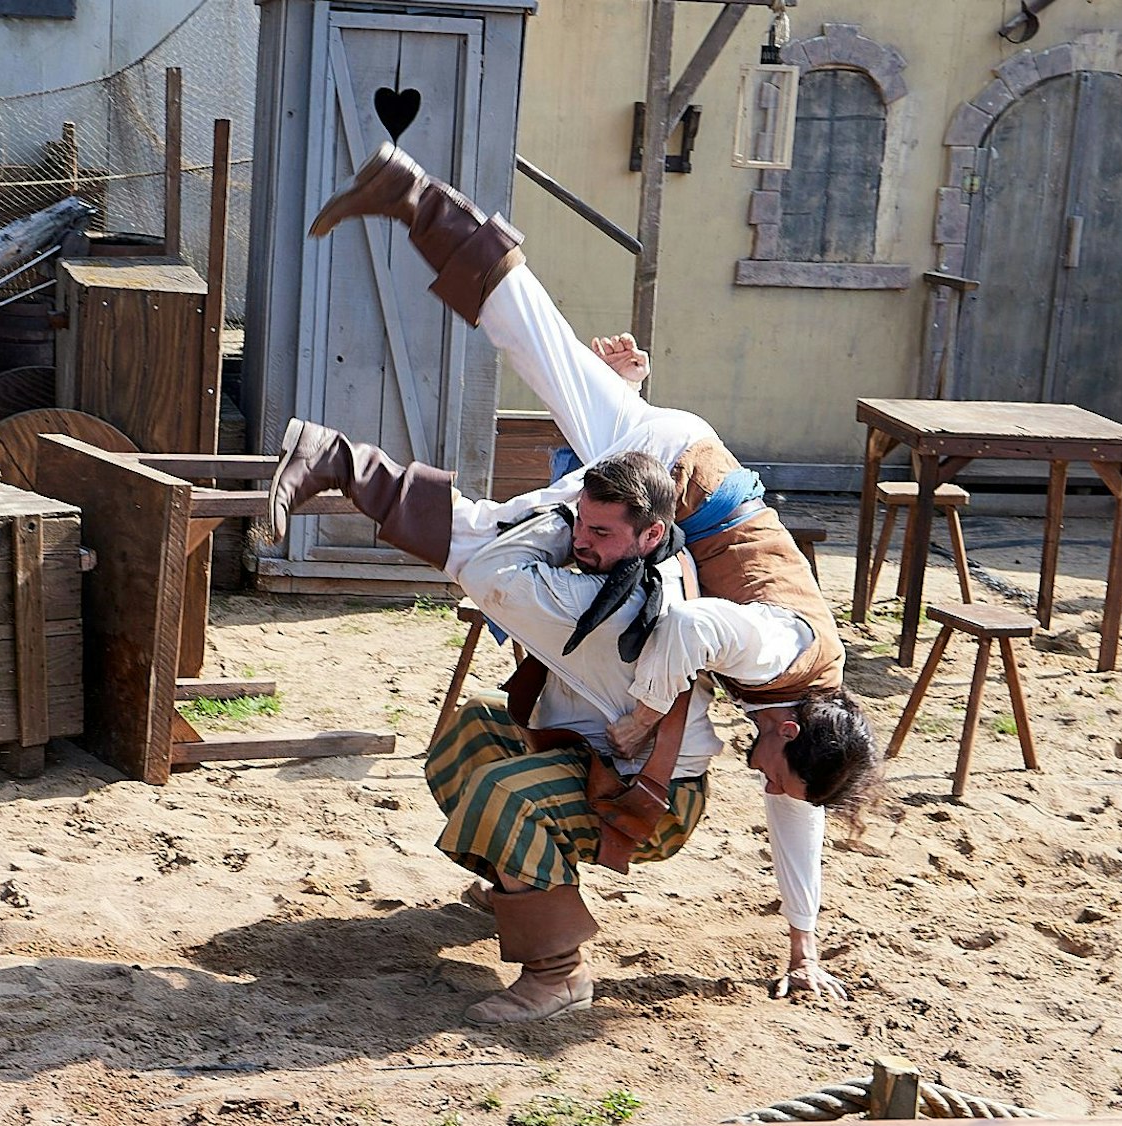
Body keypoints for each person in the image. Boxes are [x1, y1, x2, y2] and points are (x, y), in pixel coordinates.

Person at [264, 145, 882, 1024]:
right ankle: (343, 460)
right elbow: (693, 633)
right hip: (675, 480)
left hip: (679, 465)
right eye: (776, 771)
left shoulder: (802, 704)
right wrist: (644, 710)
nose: (765, 779)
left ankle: (416, 202)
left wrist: (803, 944)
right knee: (503, 552)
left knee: (537, 349)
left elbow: (797, 810)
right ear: (790, 733)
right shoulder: (787, 650)